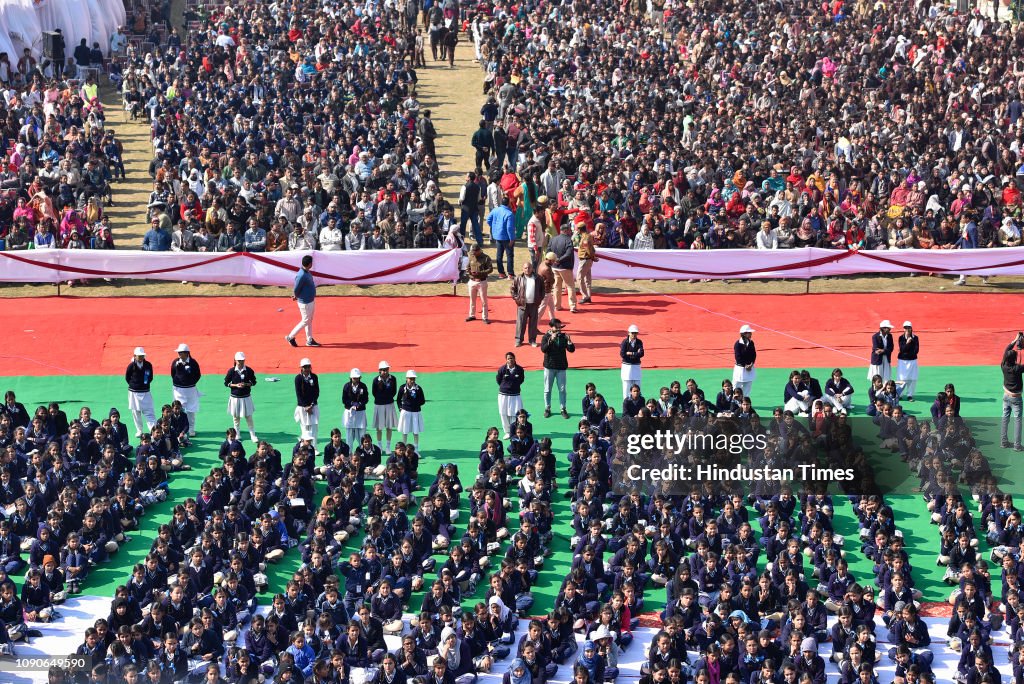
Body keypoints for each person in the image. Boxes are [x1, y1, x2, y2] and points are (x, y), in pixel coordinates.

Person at [541, 319, 575, 419]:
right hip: (549, 367)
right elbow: (544, 349)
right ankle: (547, 408)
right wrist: (551, 340)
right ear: (551, 327)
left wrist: (569, 341)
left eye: (560, 327)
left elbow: (571, 350)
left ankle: (563, 408)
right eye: (557, 327)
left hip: (561, 367)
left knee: (562, 389)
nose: (559, 329)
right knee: (547, 389)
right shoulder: (546, 336)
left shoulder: (564, 337)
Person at [286, 255, 320, 347]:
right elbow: (296, 288)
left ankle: (309, 340)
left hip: (310, 300)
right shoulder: (301, 275)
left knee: (309, 320)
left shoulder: (307, 272)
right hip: (305, 302)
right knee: (305, 321)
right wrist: (295, 295)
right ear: (310, 264)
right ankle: (290, 336)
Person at [224, 352, 258, 443]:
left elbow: (254, 382)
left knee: (249, 417)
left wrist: (246, 384)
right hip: (235, 398)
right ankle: (237, 434)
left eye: (242, 360)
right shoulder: (231, 371)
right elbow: (226, 383)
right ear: (235, 360)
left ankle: (253, 435)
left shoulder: (249, 370)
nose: (241, 362)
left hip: (246, 397)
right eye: (239, 361)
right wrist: (235, 385)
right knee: (236, 418)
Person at [170, 343, 201, 437]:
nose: (179, 354)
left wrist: (190, 383)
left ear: (187, 353)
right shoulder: (175, 362)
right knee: (179, 409)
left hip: (190, 389)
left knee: (191, 410)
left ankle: (191, 429)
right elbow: (172, 373)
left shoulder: (193, 363)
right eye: (178, 352)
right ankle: (180, 428)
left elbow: (198, 375)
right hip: (178, 390)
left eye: (181, 352)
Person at [125, 347, 156, 438]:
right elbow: (127, 377)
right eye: (139, 356)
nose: (141, 357)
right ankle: (139, 430)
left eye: (142, 355)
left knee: (149, 411)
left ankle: (153, 430)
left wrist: (144, 385)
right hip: (134, 393)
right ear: (134, 356)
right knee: (136, 412)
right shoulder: (131, 366)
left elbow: (150, 377)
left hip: (145, 392)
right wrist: (134, 385)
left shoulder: (148, 365)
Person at [512, 262, 543, 347]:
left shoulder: (538, 278)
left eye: (529, 268)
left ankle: (532, 340)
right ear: (523, 269)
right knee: (521, 323)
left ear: (532, 268)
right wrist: (517, 299)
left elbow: (542, 291)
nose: (527, 269)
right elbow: (513, 289)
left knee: (533, 324)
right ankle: (519, 340)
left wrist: (539, 300)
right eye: (525, 268)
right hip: (522, 305)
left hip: (534, 305)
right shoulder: (518, 278)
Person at [1001, 333, 1024, 451]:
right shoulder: (1018, 368)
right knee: (1018, 421)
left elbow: (1006, 351)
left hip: (1006, 396)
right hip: (1016, 398)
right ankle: (1017, 445)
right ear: (1014, 359)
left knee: (1005, 418)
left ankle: (1004, 442)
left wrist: (1015, 340)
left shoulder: (1003, 365)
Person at [548, 223, 577, 313]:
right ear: (566, 230)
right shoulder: (568, 240)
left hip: (555, 267)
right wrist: (559, 260)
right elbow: (568, 254)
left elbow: (548, 250)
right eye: (569, 230)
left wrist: (554, 260)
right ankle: (572, 306)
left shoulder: (553, 239)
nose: (570, 231)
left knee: (557, 287)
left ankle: (557, 305)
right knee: (570, 286)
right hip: (565, 267)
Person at [497, 352, 526, 440]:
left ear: (514, 359)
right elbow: (499, 380)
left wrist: (514, 387)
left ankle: (515, 431)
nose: (510, 360)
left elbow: (521, 380)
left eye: (512, 358)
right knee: (503, 413)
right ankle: (507, 432)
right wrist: (505, 387)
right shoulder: (502, 369)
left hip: (515, 395)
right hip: (503, 395)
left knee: (515, 414)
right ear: (506, 360)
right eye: (508, 358)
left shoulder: (519, 369)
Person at [373, 361, 399, 454]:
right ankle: (379, 446)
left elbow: (394, 392)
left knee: (389, 426)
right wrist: (381, 398)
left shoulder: (393, 379)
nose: (385, 371)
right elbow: (374, 392)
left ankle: (388, 446)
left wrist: (387, 397)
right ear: (379, 371)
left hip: (389, 404)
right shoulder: (376, 380)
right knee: (379, 428)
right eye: (383, 370)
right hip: (379, 405)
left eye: (386, 369)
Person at [487, 196, 516, 278]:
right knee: (509, 255)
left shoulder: (495, 210)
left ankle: (501, 273)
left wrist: (494, 227)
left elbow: (488, 219)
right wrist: (512, 238)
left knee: (499, 255)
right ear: (508, 203)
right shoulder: (509, 214)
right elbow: (509, 228)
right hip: (507, 238)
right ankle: (510, 273)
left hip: (497, 236)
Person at [295, 358, 320, 448]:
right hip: (302, 407)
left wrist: (311, 405)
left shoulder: (314, 377)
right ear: (301, 368)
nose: (307, 369)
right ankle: (304, 446)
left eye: (308, 366)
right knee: (305, 428)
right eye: (305, 367)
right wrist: (306, 406)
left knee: (314, 427)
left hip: (313, 406)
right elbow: (299, 394)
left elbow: (316, 392)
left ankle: (314, 447)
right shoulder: (298, 378)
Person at [397, 370, 426, 448]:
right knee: (405, 431)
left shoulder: (418, 389)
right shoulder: (402, 388)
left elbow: (423, 400)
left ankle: (416, 449)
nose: (412, 381)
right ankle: (403, 449)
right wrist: (400, 408)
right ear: (406, 378)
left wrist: (415, 404)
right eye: (410, 378)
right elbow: (398, 399)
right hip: (405, 412)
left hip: (416, 412)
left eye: (413, 379)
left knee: (415, 432)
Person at [467, 242, 493, 323]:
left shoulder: (486, 258)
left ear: (478, 251)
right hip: (472, 281)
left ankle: (485, 317)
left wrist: (480, 273)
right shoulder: (471, 256)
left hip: (482, 282)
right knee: (472, 299)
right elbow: (468, 266)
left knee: (484, 301)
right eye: (472, 252)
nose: (473, 254)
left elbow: (490, 269)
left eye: (474, 252)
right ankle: (472, 315)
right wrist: (469, 271)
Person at [343, 369, 370, 448]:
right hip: (349, 413)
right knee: (349, 436)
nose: (356, 379)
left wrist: (359, 404)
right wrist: (351, 404)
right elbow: (344, 399)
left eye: (357, 378)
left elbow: (366, 399)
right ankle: (349, 453)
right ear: (351, 378)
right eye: (354, 378)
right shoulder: (346, 386)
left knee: (362, 434)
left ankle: (362, 451)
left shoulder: (363, 386)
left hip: (360, 413)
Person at [619, 325, 644, 400]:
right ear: (629, 333)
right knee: (626, 387)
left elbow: (642, 353)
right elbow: (622, 354)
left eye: (636, 333)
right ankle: (626, 405)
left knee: (637, 386)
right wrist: (636, 354)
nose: (634, 335)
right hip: (627, 368)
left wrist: (631, 353)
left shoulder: (639, 342)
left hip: (636, 367)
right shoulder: (624, 342)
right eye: (632, 333)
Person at [896, 321, 919, 401]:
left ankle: (910, 395)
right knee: (901, 378)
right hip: (902, 361)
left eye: (909, 327)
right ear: (903, 329)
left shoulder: (915, 338)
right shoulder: (901, 338)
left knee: (912, 378)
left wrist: (907, 352)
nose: (907, 329)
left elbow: (916, 350)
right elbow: (902, 350)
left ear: (911, 328)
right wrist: (907, 343)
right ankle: (900, 394)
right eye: (905, 328)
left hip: (912, 361)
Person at [733, 325, 756, 398]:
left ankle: (745, 401)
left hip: (749, 368)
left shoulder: (751, 343)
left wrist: (751, 364)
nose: (751, 334)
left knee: (747, 386)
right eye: (749, 333)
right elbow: (738, 358)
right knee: (736, 386)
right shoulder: (737, 344)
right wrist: (745, 365)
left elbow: (754, 354)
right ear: (744, 334)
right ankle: (735, 401)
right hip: (740, 369)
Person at [460, 173, 483, 245]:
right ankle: (480, 241)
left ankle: (461, 241)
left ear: (469, 178)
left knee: (463, 225)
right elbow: (479, 199)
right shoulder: (478, 187)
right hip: (474, 208)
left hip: (465, 208)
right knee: (476, 225)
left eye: (467, 176)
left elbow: (462, 198)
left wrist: (459, 202)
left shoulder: (464, 186)